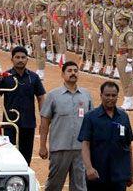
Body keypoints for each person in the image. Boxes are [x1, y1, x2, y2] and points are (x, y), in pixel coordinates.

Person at [39, 61, 93, 191]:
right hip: (59, 149)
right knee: (54, 186)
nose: (73, 73)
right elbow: (44, 123)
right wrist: (42, 146)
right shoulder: (53, 95)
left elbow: (91, 122)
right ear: (63, 74)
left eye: (75, 70)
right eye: (69, 71)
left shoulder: (86, 95)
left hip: (81, 150)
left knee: (80, 186)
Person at [0, 46, 46, 165]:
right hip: (9, 123)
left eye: (23, 57)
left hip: (28, 122)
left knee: (26, 156)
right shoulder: (5, 77)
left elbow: (41, 97)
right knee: (8, 155)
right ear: (12, 59)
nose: (20, 60)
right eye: (17, 57)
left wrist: (43, 117)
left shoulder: (34, 77)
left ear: (27, 59)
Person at [78, 81, 133, 191]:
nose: (110, 98)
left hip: (119, 175)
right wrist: (89, 168)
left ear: (117, 96)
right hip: (97, 175)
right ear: (101, 96)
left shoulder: (123, 117)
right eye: (107, 95)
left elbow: (128, 146)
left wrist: (131, 173)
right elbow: (85, 144)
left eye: (113, 95)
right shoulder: (91, 117)